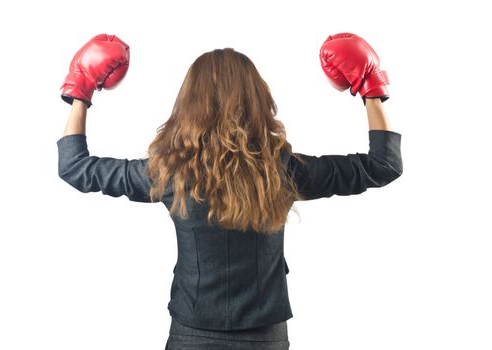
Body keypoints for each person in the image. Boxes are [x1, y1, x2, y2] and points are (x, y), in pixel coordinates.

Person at [57, 33, 403, 350]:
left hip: (191, 333)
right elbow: (383, 165)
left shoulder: (169, 171)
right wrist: (371, 89)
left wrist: (80, 93)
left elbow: (75, 167)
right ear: (257, 99)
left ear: (188, 102)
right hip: (265, 335)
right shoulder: (281, 168)